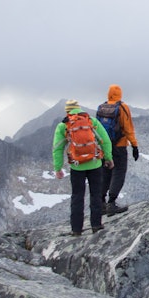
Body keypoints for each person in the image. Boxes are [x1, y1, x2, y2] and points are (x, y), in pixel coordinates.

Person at [53, 99, 114, 236]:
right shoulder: (91, 121)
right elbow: (105, 140)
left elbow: (57, 148)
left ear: (67, 111)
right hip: (95, 164)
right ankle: (96, 225)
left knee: (77, 196)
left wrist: (58, 168)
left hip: (77, 166)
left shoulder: (64, 125)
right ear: (79, 108)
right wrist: (109, 159)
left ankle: (76, 229)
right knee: (96, 194)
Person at [97, 84, 139, 216]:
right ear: (119, 94)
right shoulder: (122, 107)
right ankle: (112, 203)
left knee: (105, 172)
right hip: (119, 146)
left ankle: (101, 203)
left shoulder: (101, 107)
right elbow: (128, 128)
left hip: (105, 147)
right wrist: (134, 145)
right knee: (119, 172)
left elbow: (97, 129)